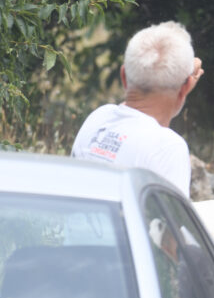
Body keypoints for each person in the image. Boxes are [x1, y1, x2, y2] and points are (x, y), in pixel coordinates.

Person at [71, 21, 203, 197]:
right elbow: (170, 223)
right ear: (186, 87)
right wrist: (181, 87)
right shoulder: (169, 147)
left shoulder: (99, 117)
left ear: (124, 76)